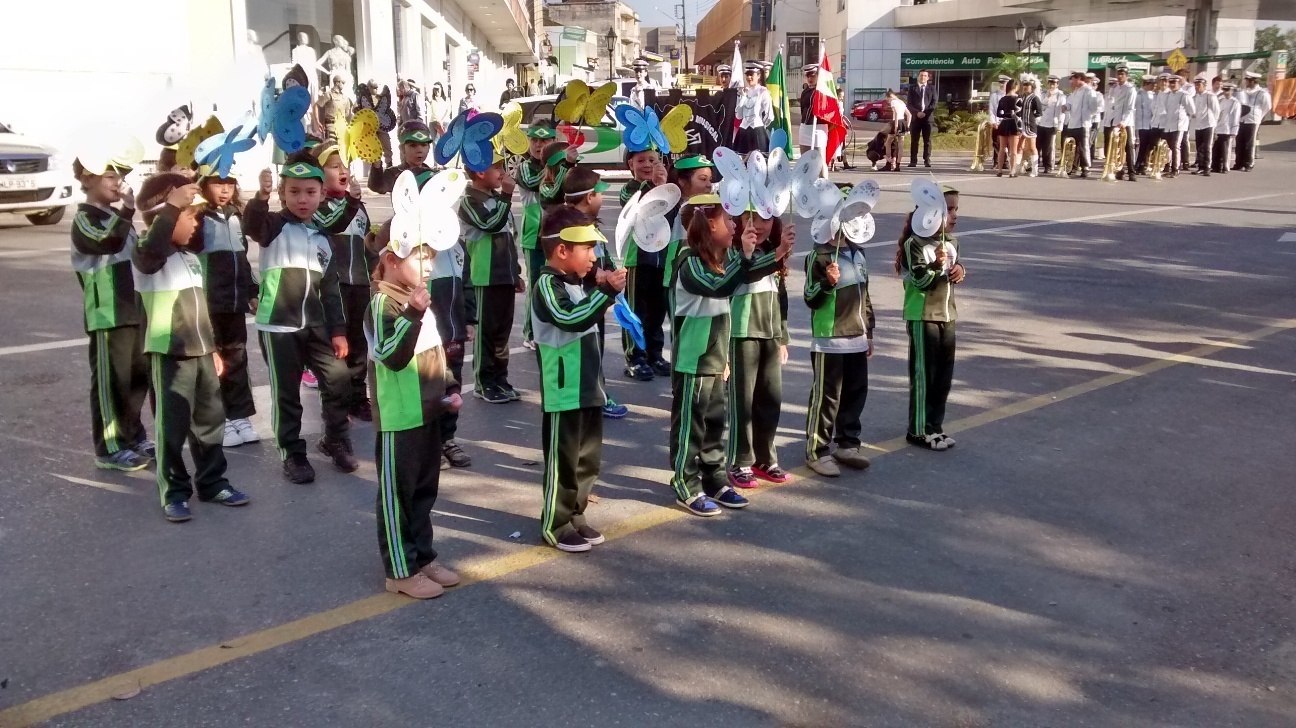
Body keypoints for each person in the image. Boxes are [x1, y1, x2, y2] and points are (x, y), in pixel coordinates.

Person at [132, 174, 250, 522]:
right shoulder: (148, 254)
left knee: (210, 422)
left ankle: (213, 482)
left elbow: (200, 311)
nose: (196, 223)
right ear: (164, 218)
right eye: (189, 216)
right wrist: (172, 206)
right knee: (171, 427)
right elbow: (151, 250)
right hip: (170, 354)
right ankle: (174, 492)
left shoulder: (190, 258)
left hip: (201, 352)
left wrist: (212, 348)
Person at [244, 151, 356, 483]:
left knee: (338, 380)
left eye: (310, 192)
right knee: (288, 394)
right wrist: (260, 197)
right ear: (283, 194)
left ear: (322, 194)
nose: (302, 199)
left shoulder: (322, 235)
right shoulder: (273, 226)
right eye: (294, 192)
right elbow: (253, 225)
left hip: (317, 325)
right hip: (279, 324)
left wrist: (338, 330)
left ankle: (334, 438)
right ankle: (292, 453)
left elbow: (332, 287)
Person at [366, 227, 463, 599]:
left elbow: (435, 350)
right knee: (398, 496)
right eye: (420, 256)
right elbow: (391, 354)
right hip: (399, 415)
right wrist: (412, 313)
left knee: (424, 491)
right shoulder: (384, 303)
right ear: (392, 260)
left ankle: (423, 557)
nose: (429, 265)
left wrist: (450, 388)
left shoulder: (416, 299)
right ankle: (400, 570)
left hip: (427, 411)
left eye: (432, 257)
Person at [531, 207, 627, 551]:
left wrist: (600, 286)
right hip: (564, 389)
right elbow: (568, 319)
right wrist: (606, 294)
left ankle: (577, 513)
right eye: (587, 249)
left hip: (588, 386)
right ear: (562, 251)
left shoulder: (576, 282)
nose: (593, 256)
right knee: (564, 459)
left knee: (587, 458)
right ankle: (555, 522)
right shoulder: (547, 284)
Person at [669, 195, 769, 516]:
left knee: (714, 423)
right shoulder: (689, 262)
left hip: (715, 359)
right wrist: (746, 256)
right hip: (693, 359)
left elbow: (739, 279)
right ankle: (685, 482)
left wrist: (774, 254)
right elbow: (719, 287)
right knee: (691, 425)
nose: (735, 225)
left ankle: (714, 478)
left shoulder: (718, 258)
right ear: (710, 224)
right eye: (729, 220)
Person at [70, 155, 153, 471]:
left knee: (135, 378)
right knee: (110, 382)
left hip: (133, 308)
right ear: (87, 178)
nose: (117, 182)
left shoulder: (119, 219)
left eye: (120, 176)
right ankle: (108, 446)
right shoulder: (85, 219)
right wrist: (128, 211)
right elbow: (106, 243)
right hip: (107, 312)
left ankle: (132, 435)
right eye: (109, 176)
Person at [802, 197, 875, 477]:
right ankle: (817, 450)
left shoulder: (858, 253)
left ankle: (847, 443)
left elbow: (865, 296)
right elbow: (810, 297)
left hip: (856, 337)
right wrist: (826, 283)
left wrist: (869, 331)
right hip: (829, 339)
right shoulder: (818, 256)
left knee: (855, 393)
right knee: (826, 398)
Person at [726, 210, 794, 488]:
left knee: (770, 399)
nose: (758, 226)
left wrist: (782, 337)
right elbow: (749, 274)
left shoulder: (772, 251)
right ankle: (739, 460)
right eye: (749, 218)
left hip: (769, 333)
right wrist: (779, 251)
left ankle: (764, 458)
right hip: (742, 334)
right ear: (738, 221)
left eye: (766, 218)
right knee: (743, 403)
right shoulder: (731, 253)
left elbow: (781, 298)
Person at [897, 185, 965, 451]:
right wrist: (936, 266)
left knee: (943, 375)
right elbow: (920, 280)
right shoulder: (914, 243)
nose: (954, 215)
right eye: (949, 209)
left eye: (956, 209)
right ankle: (917, 429)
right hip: (922, 315)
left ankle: (935, 426)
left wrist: (959, 269)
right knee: (924, 374)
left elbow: (953, 273)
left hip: (947, 313)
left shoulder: (952, 242)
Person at [194, 171, 260, 448]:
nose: (224, 190)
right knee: (214, 362)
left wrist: (253, 292)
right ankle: (219, 417)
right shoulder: (198, 217)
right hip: (209, 303)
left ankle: (240, 416)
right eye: (217, 184)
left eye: (229, 184)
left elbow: (242, 260)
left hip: (234, 303)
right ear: (204, 185)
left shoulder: (235, 216)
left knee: (237, 358)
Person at [311, 141, 374, 421]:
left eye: (345, 165)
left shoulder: (358, 208)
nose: (342, 171)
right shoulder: (319, 206)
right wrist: (351, 202)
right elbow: (330, 223)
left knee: (360, 344)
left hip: (360, 283)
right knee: (337, 345)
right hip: (334, 286)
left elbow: (369, 244)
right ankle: (337, 400)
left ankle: (358, 397)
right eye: (334, 166)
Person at [561, 167, 628, 419]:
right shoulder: (568, 224)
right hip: (581, 294)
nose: (601, 199)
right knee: (586, 345)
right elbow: (572, 261)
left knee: (594, 344)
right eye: (599, 194)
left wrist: (610, 271)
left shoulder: (588, 223)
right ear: (589, 197)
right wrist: (596, 275)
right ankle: (593, 395)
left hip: (596, 292)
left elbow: (602, 254)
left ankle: (593, 392)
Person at [460, 155, 522, 404]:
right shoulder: (469, 201)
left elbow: (509, 236)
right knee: (486, 332)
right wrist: (507, 196)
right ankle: (484, 382)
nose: (502, 171)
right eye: (495, 167)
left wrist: (515, 271)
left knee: (501, 334)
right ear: (479, 172)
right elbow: (491, 225)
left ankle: (500, 378)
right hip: (484, 276)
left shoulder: (497, 200)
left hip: (504, 275)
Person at [619, 148, 671, 381]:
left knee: (656, 310)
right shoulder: (629, 189)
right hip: (637, 259)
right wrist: (653, 186)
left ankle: (654, 353)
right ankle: (635, 356)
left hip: (660, 256)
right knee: (635, 311)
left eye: (653, 160)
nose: (647, 165)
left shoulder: (666, 190)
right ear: (631, 164)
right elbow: (639, 207)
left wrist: (664, 187)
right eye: (641, 161)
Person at [516, 123, 559, 348]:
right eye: (534, 140)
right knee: (534, 285)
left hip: (556, 233)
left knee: (554, 284)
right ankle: (531, 332)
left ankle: (550, 326)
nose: (539, 145)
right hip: (533, 234)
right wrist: (554, 165)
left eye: (545, 141)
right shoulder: (524, 167)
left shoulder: (559, 167)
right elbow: (533, 184)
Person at [368, 120, 434, 195]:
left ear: (429, 148)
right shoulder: (394, 173)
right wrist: (376, 162)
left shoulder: (433, 175)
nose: (419, 150)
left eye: (424, 145)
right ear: (402, 149)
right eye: (413, 145)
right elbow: (377, 186)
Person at [1062, 71, 1098, 178]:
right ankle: (1071, 167)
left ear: (1079, 79)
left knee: (1083, 147)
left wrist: (1087, 115)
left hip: (1083, 123)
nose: (1071, 81)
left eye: (1073, 79)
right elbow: (1070, 103)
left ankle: (1085, 167)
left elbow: (1094, 107)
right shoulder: (1075, 92)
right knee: (1072, 147)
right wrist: (1066, 107)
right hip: (1073, 123)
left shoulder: (1089, 91)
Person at [1158, 74, 1194, 178]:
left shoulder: (1184, 95)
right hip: (1169, 124)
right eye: (1171, 82)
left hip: (1179, 125)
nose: (1173, 85)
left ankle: (1175, 169)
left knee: (1175, 146)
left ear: (1179, 83)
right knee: (1169, 147)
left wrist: (1185, 118)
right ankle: (1168, 166)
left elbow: (1192, 110)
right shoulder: (1168, 95)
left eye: (1175, 83)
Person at [734, 61, 774, 155]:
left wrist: (761, 125)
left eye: (751, 74)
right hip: (743, 131)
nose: (749, 77)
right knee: (741, 162)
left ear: (759, 75)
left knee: (758, 162)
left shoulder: (763, 92)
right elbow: (739, 116)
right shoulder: (743, 92)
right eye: (747, 75)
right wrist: (742, 97)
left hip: (757, 130)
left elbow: (770, 115)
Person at [1235, 72, 1271, 171]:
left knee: (1249, 143)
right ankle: (1239, 163)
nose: (1246, 83)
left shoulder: (1262, 93)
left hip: (1253, 120)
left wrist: (1259, 117)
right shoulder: (1244, 92)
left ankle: (1248, 164)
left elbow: (1267, 106)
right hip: (1242, 120)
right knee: (1239, 142)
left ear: (1253, 81)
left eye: (1248, 81)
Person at [1107, 66, 1137, 181]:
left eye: (1122, 74)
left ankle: (1131, 172)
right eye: (1118, 74)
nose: (1120, 76)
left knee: (1128, 147)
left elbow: (1130, 108)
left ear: (1126, 75)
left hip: (1126, 122)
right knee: (1117, 148)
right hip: (1116, 121)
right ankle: (1119, 171)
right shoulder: (1115, 88)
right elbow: (1113, 106)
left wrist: (1123, 121)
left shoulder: (1130, 89)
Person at [1037, 75, 1066, 174]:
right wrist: (1047, 97)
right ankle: (1035, 164)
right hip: (1041, 123)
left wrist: (1060, 126)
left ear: (1057, 84)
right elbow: (1040, 107)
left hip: (1052, 124)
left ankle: (1048, 166)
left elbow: (1061, 112)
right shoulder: (1043, 94)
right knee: (1038, 145)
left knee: (1048, 147)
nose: (1051, 85)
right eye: (1050, 83)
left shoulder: (1060, 95)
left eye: (1054, 83)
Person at [1191, 75, 1220, 177]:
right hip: (1198, 125)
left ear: (1204, 85)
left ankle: (1207, 167)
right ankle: (1200, 166)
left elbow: (1216, 111)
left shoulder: (1210, 96)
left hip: (1208, 124)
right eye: (1196, 85)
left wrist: (1214, 123)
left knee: (1207, 147)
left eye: (1199, 85)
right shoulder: (1195, 97)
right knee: (1199, 147)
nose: (1197, 87)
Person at [906, 69, 936, 168]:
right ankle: (913, 161)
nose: (923, 77)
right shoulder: (912, 88)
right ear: (918, 77)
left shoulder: (932, 88)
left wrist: (925, 113)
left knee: (927, 140)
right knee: (914, 140)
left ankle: (927, 160)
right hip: (916, 118)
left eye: (925, 75)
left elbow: (934, 103)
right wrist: (917, 112)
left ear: (928, 77)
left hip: (927, 118)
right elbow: (909, 104)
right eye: (921, 75)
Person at [994, 78, 1022, 177]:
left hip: (1004, 123)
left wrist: (1005, 115)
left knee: (1002, 149)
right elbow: (1020, 114)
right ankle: (1012, 171)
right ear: (1016, 87)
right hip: (1014, 124)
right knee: (1013, 150)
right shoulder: (1018, 99)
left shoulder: (1002, 99)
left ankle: (999, 170)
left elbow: (998, 113)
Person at [798, 64, 829, 155]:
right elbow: (803, 109)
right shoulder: (805, 91)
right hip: (805, 127)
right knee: (805, 158)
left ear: (818, 76)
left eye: (812, 76)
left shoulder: (823, 91)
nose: (810, 79)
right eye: (808, 76)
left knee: (819, 158)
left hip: (819, 128)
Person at [1212, 82, 1242, 174]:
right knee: (1216, 148)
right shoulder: (1220, 100)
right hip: (1219, 127)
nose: (1226, 92)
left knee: (1226, 149)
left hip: (1228, 128)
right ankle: (1216, 166)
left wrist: (1234, 130)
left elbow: (1236, 118)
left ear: (1232, 91)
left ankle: (1225, 166)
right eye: (1224, 90)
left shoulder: (1235, 102)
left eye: (1228, 90)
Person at [1018, 76, 1043, 176]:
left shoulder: (1035, 98)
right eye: (1024, 85)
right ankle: (1018, 167)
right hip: (1022, 125)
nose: (1025, 87)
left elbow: (1039, 112)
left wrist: (1032, 118)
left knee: (1032, 147)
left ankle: (1035, 170)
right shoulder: (1022, 97)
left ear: (1032, 87)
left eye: (1028, 85)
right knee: (1020, 146)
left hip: (1031, 126)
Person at [316, 74, 353, 141]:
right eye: (343, 83)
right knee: (331, 148)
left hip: (342, 127)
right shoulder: (328, 94)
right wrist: (318, 121)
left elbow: (347, 114)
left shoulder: (345, 97)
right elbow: (317, 105)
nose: (343, 85)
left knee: (342, 149)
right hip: (331, 126)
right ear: (337, 83)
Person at [1133, 76, 1157, 174]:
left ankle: (1143, 164)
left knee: (1149, 146)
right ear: (1146, 84)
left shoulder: (1153, 95)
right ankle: (1138, 164)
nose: (1153, 86)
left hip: (1151, 124)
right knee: (1142, 146)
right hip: (1141, 124)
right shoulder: (1138, 94)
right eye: (1152, 84)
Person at [884, 90, 910, 172]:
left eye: (887, 99)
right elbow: (909, 115)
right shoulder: (901, 102)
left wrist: (895, 126)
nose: (888, 101)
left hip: (896, 122)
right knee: (900, 144)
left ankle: (889, 163)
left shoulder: (893, 102)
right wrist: (907, 126)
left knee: (887, 142)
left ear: (889, 97)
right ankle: (898, 165)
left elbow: (895, 114)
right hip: (903, 122)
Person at [1087, 73, 1105, 163]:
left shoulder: (1099, 95)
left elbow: (1101, 107)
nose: (1093, 86)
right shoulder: (1087, 93)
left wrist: (1092, 112)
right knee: (1086, 140)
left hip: (1094, 120)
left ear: (1097, 86)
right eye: (1091, 84)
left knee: (1091, 140)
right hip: (1086, 120)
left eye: (1094, 84)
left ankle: (1090, 158)